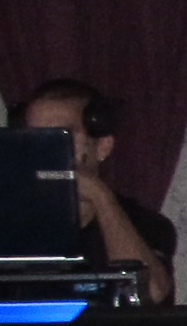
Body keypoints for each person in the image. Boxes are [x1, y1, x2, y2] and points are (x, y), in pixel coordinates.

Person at [10, 77, 174, 304]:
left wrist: (99, 195)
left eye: (62, 135)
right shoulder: (14, 220)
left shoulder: (146, 224)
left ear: (102, 147)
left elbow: (151, 292)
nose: (46, 148)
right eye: (36, 137)